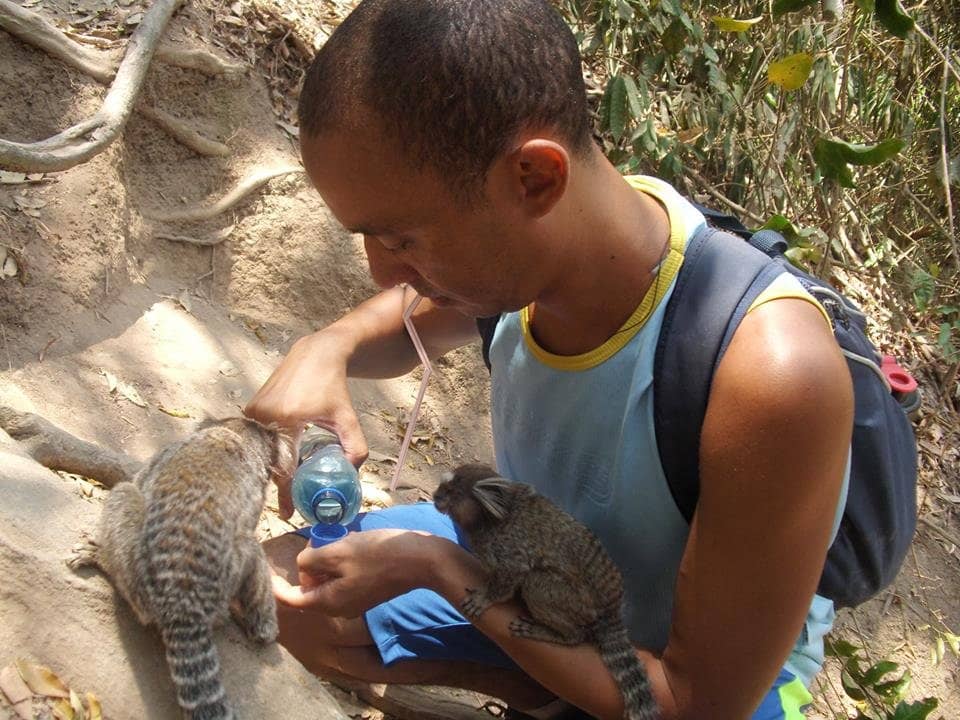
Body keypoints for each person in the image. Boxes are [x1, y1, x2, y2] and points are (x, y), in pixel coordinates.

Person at [244, 1, 854, 718]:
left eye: (401, 239)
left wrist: (441, 570)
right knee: (288, 596)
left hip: (692, 680)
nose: (382, 272)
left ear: (535, 178)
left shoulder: (766, 375)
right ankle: (538, 691)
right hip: (538, 577)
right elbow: (406, 321)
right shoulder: (528, 265)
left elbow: (693, 704)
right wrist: (327, 347)